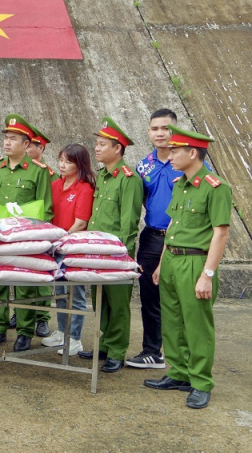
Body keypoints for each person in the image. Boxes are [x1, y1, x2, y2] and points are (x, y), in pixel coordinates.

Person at [143, 125, 231, 409]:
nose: (169, 156)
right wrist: (160, 263)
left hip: (196, 261)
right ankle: (178, 373)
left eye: (175, 151)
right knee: (172, 320)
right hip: (171, 260)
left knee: (197, 325)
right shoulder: (180, 183)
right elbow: (172, 225)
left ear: (192, 153)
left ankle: (201, 382)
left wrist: (208, 274)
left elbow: (221, 233)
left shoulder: (216, 187)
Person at [0, 114, 53, 352]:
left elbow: (46, 209)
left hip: (24, 240)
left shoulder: (38, 172)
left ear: (26, 144)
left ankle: (24, 332)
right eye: (6, 138)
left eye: (13, 138)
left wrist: (36, 240)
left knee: (24, 285)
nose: (7, 142)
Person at [78, 117, 142, 373]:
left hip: (115, 254)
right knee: (100, 300)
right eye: (96, 143)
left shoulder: (129, 179)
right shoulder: (102, 177)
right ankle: (104, 344)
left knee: (118, 304)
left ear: (118, 148)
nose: (97, 148)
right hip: (97, 252)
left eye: (102, 144)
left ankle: (117, 351)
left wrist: (122, 256)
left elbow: (129, 223)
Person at [127, 108, 181, 369]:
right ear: (148, 132)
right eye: (154, 128)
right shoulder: (143, 164)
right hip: (151, 237)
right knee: (149, 297)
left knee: (177, 300)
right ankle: (152, 351)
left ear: (175, 130)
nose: (160, 133)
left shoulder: (188, 161)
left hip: (181, 240)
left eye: (165, 128)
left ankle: (182, 357)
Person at [41, 144, 95, 356]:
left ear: (79, 164)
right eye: (61, 160)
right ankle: (62, 331)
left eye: (68, 161)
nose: (62, 165)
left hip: (73, 246)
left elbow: (81, 222)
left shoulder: (85, 188)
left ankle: (75, 338)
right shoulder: (55, 185)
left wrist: (63, 240)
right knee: (60, 291)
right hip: (56, 245)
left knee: (76, 293)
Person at [26, 123, 58, 337]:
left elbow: (53, 204)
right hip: (24, 231)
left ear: (42, 149)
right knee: (22, 276)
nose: (29, 149)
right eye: (28, 144)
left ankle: (43, 318)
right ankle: (22, 314)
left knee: (43, 278)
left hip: (43, 230)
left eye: (34, 145)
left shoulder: (50, 174)